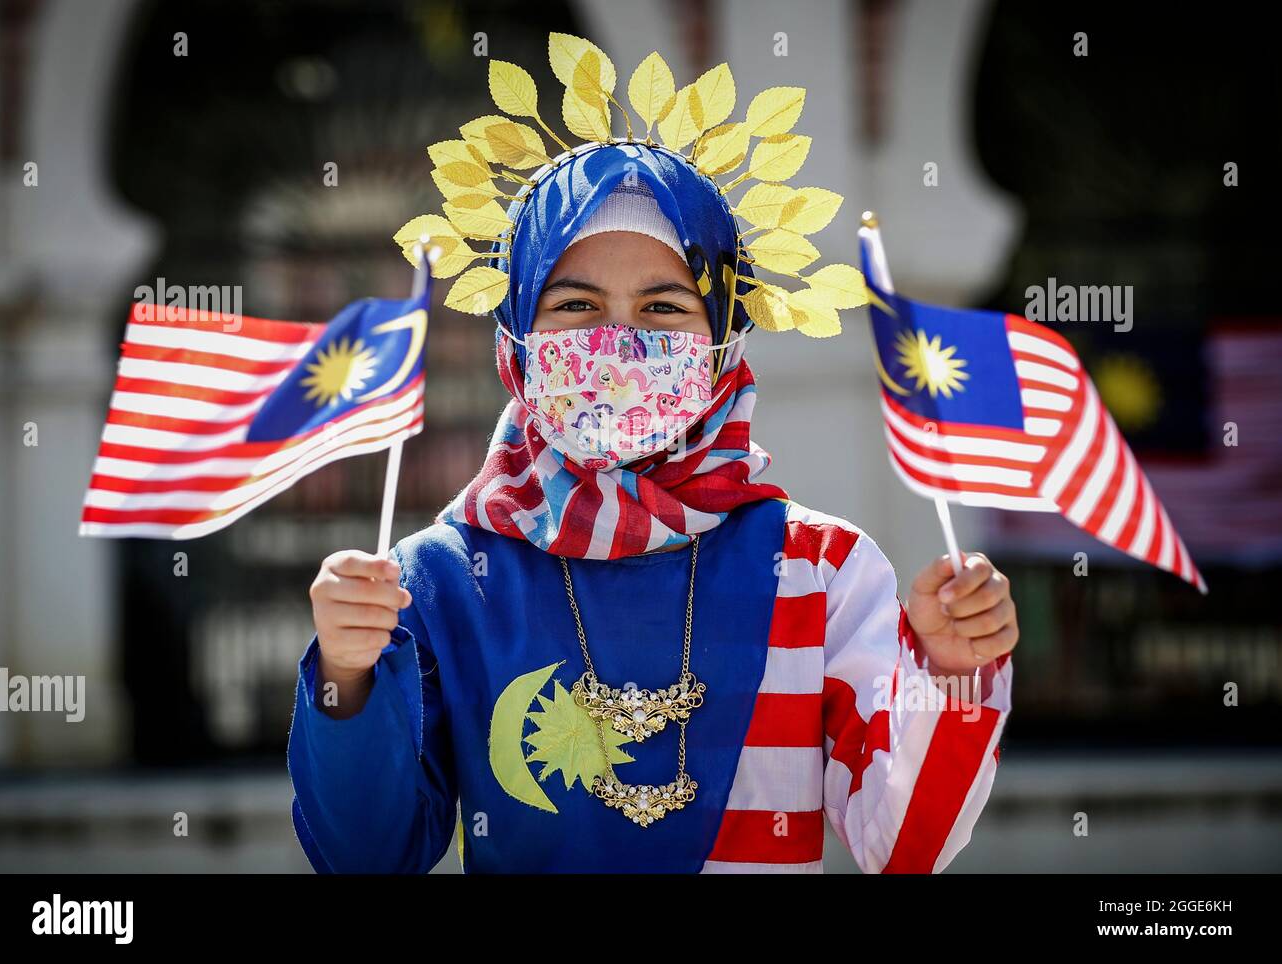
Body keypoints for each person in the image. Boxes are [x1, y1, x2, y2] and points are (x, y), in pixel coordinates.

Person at [287, 36, 1018, 874]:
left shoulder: (823, 572)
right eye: (574, 302)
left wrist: (950, 676)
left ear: (722, 342)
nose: (619, 341)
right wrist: (346, 676)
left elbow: (905, 847)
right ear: (517, 338)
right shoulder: (439, 579)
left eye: (666, 306)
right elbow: (367, 858)